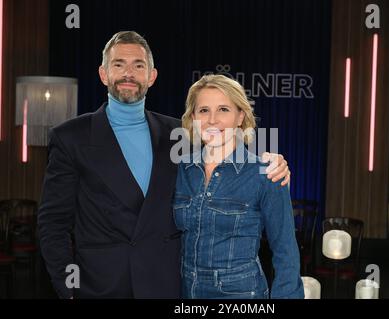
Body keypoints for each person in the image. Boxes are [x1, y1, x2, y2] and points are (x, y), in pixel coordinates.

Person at [38, 31, 291, 299]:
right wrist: (69, 288)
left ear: (151, 76)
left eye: (138, 66)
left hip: (166, 285)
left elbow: (223, 156)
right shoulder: (70, 137)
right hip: (99, 286)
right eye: (118, 64)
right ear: (103, 74)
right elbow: (53, 223)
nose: (128, 74)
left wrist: (271, 161)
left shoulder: (177, 134)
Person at [174, 74, 304, 299]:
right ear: (193, 117)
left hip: (240, 295)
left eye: (223, 109)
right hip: (185, 293)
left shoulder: (266, 173)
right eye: (203, 110)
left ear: (240, 116)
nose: (212, 119)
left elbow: (286, 253)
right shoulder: (181, 170)